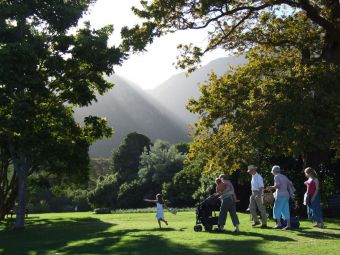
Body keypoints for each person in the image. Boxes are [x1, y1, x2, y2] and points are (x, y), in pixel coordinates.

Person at [267, 165, 292, 230]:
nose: (272, 172)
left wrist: (270, 187)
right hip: (286, 195)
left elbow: (278, 186)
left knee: (276, 209)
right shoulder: (284, 176)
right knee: (285, 209)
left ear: (274, 171)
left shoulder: (276, 176)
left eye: (272, 171)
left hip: (280, 195)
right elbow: (290, 183)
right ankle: (288, 225)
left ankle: (279, 224)